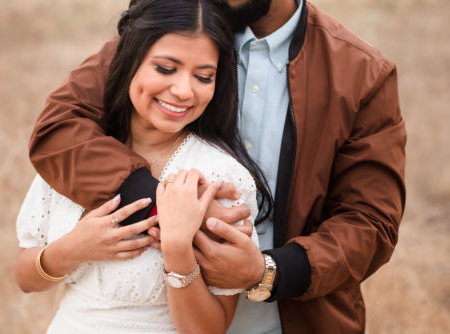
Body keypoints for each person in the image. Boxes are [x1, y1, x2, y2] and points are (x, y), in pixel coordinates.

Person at [28, 0, 407, 333]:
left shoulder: (362, 74)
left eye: (204, 76)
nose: (183, 86)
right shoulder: (176, 30)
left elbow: (370, 222)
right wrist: (171, 207)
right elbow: (59, 127)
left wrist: (266, 271)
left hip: (290, 322)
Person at [15, 0, 273, 333]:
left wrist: (179, 249)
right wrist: (73, 248)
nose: (183, 91)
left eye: (203, 76)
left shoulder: (220, 177)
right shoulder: (77, 152)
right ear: (129, 60)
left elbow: (208, 329)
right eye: (166, 69)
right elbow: (25, 278)